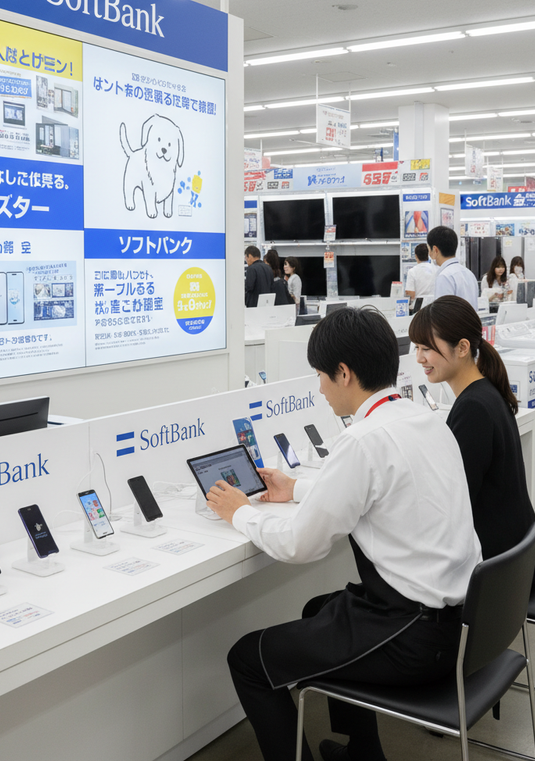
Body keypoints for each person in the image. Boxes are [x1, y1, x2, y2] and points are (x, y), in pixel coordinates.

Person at [205, 307, 480, 761]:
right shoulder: (423, 419)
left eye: (320, 376)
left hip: (412, 638)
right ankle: (363, 752)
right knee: (319, 608)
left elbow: (300, 544)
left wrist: (241, 514)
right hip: (461, 623)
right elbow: (380, 492)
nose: (319, 388)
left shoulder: (361, 440)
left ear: (344, 373)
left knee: (248, 659)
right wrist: (296, 488)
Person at [410, 295, 535, 581]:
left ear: (462, 348)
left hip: (496, 572)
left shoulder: (472, 408)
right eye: (417, 348)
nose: (419, 358)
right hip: (517, 558)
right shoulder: (487, 393)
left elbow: (454, 503)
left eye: (427, 348)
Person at [427, 225, 479, 310]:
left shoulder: (444, 276)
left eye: (429, 249)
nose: (429, 253)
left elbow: (443, 312)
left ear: (435, 250)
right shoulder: (469, 273)